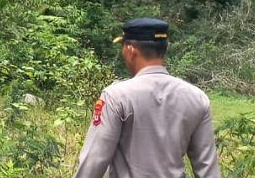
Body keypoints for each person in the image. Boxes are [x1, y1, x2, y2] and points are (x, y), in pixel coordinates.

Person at [71, 18, 222, 178]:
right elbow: (208, 170)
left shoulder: (116, 97)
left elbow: (92, 163)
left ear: (131, 50)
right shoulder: (197, 98)